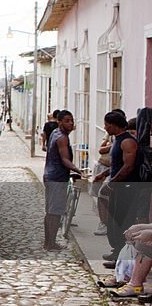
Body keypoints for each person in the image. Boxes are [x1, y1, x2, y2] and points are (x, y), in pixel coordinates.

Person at [93, 111, 141, 265]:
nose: (105, 127)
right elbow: (117, 164)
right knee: (114, 221)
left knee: (123, 221)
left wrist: (111, 183)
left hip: (126, 188)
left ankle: (121, 255)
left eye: (107, 124)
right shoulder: (117, 141)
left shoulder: (127, 142)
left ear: (113, 125)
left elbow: (128, 167)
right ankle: (116, 251)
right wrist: (104, 175)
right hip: (118, 186)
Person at [42, 110, 85, 252]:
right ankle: (50, 243)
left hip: (50, 175)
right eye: (67, 120)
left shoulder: (55, 133)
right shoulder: (62, 137)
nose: (70, 123)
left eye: (72, 120)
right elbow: (65, 159)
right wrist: (79, 170)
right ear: (59, 122)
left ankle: (48, 242)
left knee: (50, 211)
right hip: (57, 177)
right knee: (55, 211)